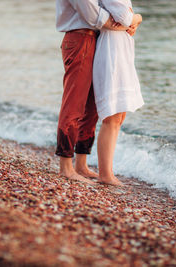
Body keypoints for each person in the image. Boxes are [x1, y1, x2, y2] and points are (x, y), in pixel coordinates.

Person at [55, 0, 141, 184]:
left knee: (91, 108)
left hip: (94, 39)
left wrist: (129, 21)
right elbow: (95, 17)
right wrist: (132, 20)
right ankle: (66, 167)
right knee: (74, 103)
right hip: (80, 39)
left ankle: (81, 164)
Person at [93, 0, 144, 186]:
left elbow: (125, 19)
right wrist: (136, 17)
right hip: (111, 50)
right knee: (111, 116)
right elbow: (125, 18)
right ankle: (105, 174)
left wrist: (135, 18)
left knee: (119, 115)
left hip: (120, 47)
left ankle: (108, 171)